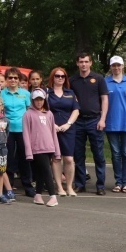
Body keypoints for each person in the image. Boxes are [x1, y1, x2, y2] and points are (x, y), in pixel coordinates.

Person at [69, 53, 109, 195]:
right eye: (81, 62)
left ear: (91, 63)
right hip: (78, 121)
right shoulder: (72, 80)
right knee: (78, 155)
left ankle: (100, 185)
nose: (84, 64)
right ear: (77, 63)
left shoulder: (98, 79)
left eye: (86, 61)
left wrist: (103, 119)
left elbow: (104, 99)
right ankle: (80, 184)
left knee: (98, 154)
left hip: (95, 120)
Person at [104, 56, 126, 193]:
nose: (116, 68)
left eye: (118, 65)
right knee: (115, 153)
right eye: (114, 65)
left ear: (123, 66)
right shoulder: (105, 82)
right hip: (111, 122)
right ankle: (118, 182)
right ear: (111, 67)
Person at [23, 89, 60, 207]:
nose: (39, 102)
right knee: (46, 171)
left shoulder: (49, 114)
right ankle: (52, 195)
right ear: (32, 100)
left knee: (41, 172)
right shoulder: (28, 114)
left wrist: (57, 151)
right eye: (36, 100)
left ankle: (38, 194)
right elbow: (26, 134)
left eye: (41, 99)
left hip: (49, 147)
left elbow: (53, 133)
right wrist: (28, 152)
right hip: (37, 148)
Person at [47, 68, 80, 197]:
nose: (60, 78)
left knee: (69, 159)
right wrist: (52, 125)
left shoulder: (70, 93)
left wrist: (68, 124)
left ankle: (69, 186)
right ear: (52, 77)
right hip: (52, 128)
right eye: (57, 76)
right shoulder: (47, 93)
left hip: (68, 129)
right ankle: (59, 186)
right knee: (56, 158)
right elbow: (44, 110)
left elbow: (76, 110)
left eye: (63, 76)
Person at [1, 68, 34, 197]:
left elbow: (29, 111)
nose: (13, 80)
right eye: (10, 78)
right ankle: (8, 186)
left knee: (24, 158)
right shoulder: (2, 94)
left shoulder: (25, 94)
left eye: (15, 78)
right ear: (7, 80)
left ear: (19, 80)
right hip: (7, 130)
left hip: (23, 129)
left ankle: (28, 186)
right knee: (8, 158)